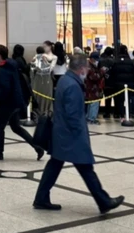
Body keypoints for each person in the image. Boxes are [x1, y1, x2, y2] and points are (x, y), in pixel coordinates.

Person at [33, 54, 125, 214]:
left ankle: (41, 198)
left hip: (61, 133)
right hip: (71, 136)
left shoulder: (65, 80)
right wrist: (80, 137)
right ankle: (104, 201)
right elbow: (73, 115)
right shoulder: (73, 86)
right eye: (87, 68)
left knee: (54, 165)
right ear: (82, 68)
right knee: (85, 168)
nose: (88, 71)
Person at [0, 45, 44, 161]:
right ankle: (38, 147)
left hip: (7, 103)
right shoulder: (11, 66)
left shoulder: (3, 69)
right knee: (16, 127)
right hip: (16, 101)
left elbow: (5, 88)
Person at [110, 45, 134, 119]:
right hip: (129, 83)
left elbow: (113, 72)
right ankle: (128, 113)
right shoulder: (131, 61)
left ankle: (121, 114)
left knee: (120, 100)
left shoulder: (115, 61)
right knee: (128, 99)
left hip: (118, 84)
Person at [31, 46, 53, 115]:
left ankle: (38, 112)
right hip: (47, 80)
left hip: (38, 80)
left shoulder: (34, 59)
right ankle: (47, 111)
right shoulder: (48, 58)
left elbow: (32, 71)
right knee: (47, 96)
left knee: (38, 96)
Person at [85, 52, 104, 124]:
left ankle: (89, 117)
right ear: (92, 59)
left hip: (91, 88)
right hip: (91, 88)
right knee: (94, 103)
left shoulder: (89, 65)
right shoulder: (89, 67)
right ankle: (91, 118)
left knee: (91, 103)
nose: (97, 61)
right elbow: (94, 77)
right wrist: (101, 72)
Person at [99, 47, 114, 118]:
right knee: (111, 97)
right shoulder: (113, 60)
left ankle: (104, 112)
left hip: (103, 81)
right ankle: (112, 112)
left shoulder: (101, 60)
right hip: (112, 81)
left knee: (103, 97)